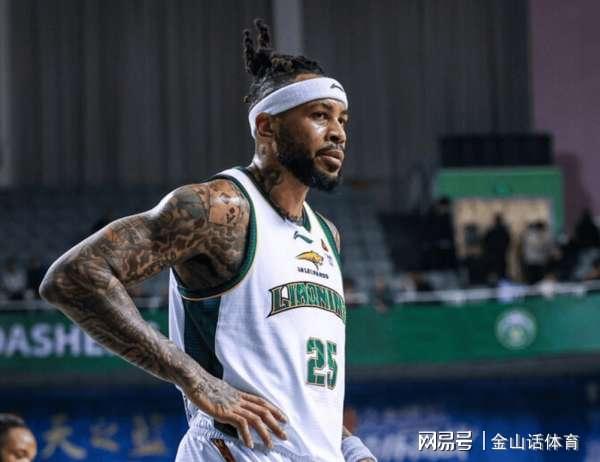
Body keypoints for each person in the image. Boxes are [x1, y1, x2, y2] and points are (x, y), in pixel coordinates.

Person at [40, 19, 375, 462]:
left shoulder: (327, 235)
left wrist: (349, 447)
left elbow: (300, 384)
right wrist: (195, 379)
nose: (338, 132)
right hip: (233, 450)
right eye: (319, 116)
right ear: (267, 127)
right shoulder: (217, 210)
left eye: (342, 119)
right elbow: (72, 278)